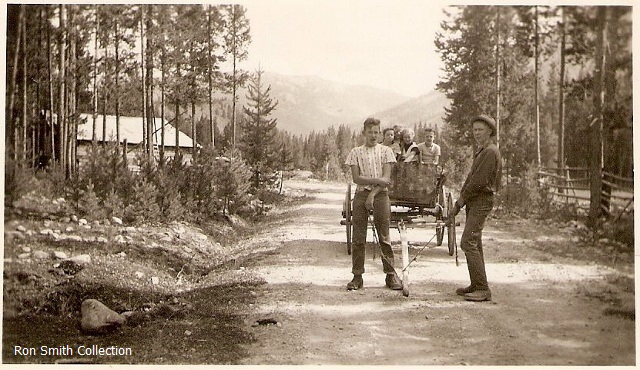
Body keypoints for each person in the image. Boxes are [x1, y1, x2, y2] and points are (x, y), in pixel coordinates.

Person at [344, 118, 403, 291]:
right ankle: (357, 276)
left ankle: (391, 275)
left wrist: (372, 193)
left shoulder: (386, 152)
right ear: (364, 133)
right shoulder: (355, 152)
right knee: (358, 238)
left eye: (376, 132)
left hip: (380, 196)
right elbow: (357, 178)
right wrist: (376, 181)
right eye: (370, 132)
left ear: (380, 134)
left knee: (384, 236)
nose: (373, 135)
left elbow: (386, 180)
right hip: (361, 196)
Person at [449, 114, 502, 302]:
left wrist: (460, 202)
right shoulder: (482, 151)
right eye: (474, 130)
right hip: (474, 201)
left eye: (480, 130)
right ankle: (476, 283)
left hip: (481, 200)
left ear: (490, 131)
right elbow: (471, 178)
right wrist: (460, 200)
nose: (477, 133)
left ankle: (482, 288)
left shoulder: (490, 152)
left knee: (467, 242)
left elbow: (478, 182)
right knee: (475, 243)